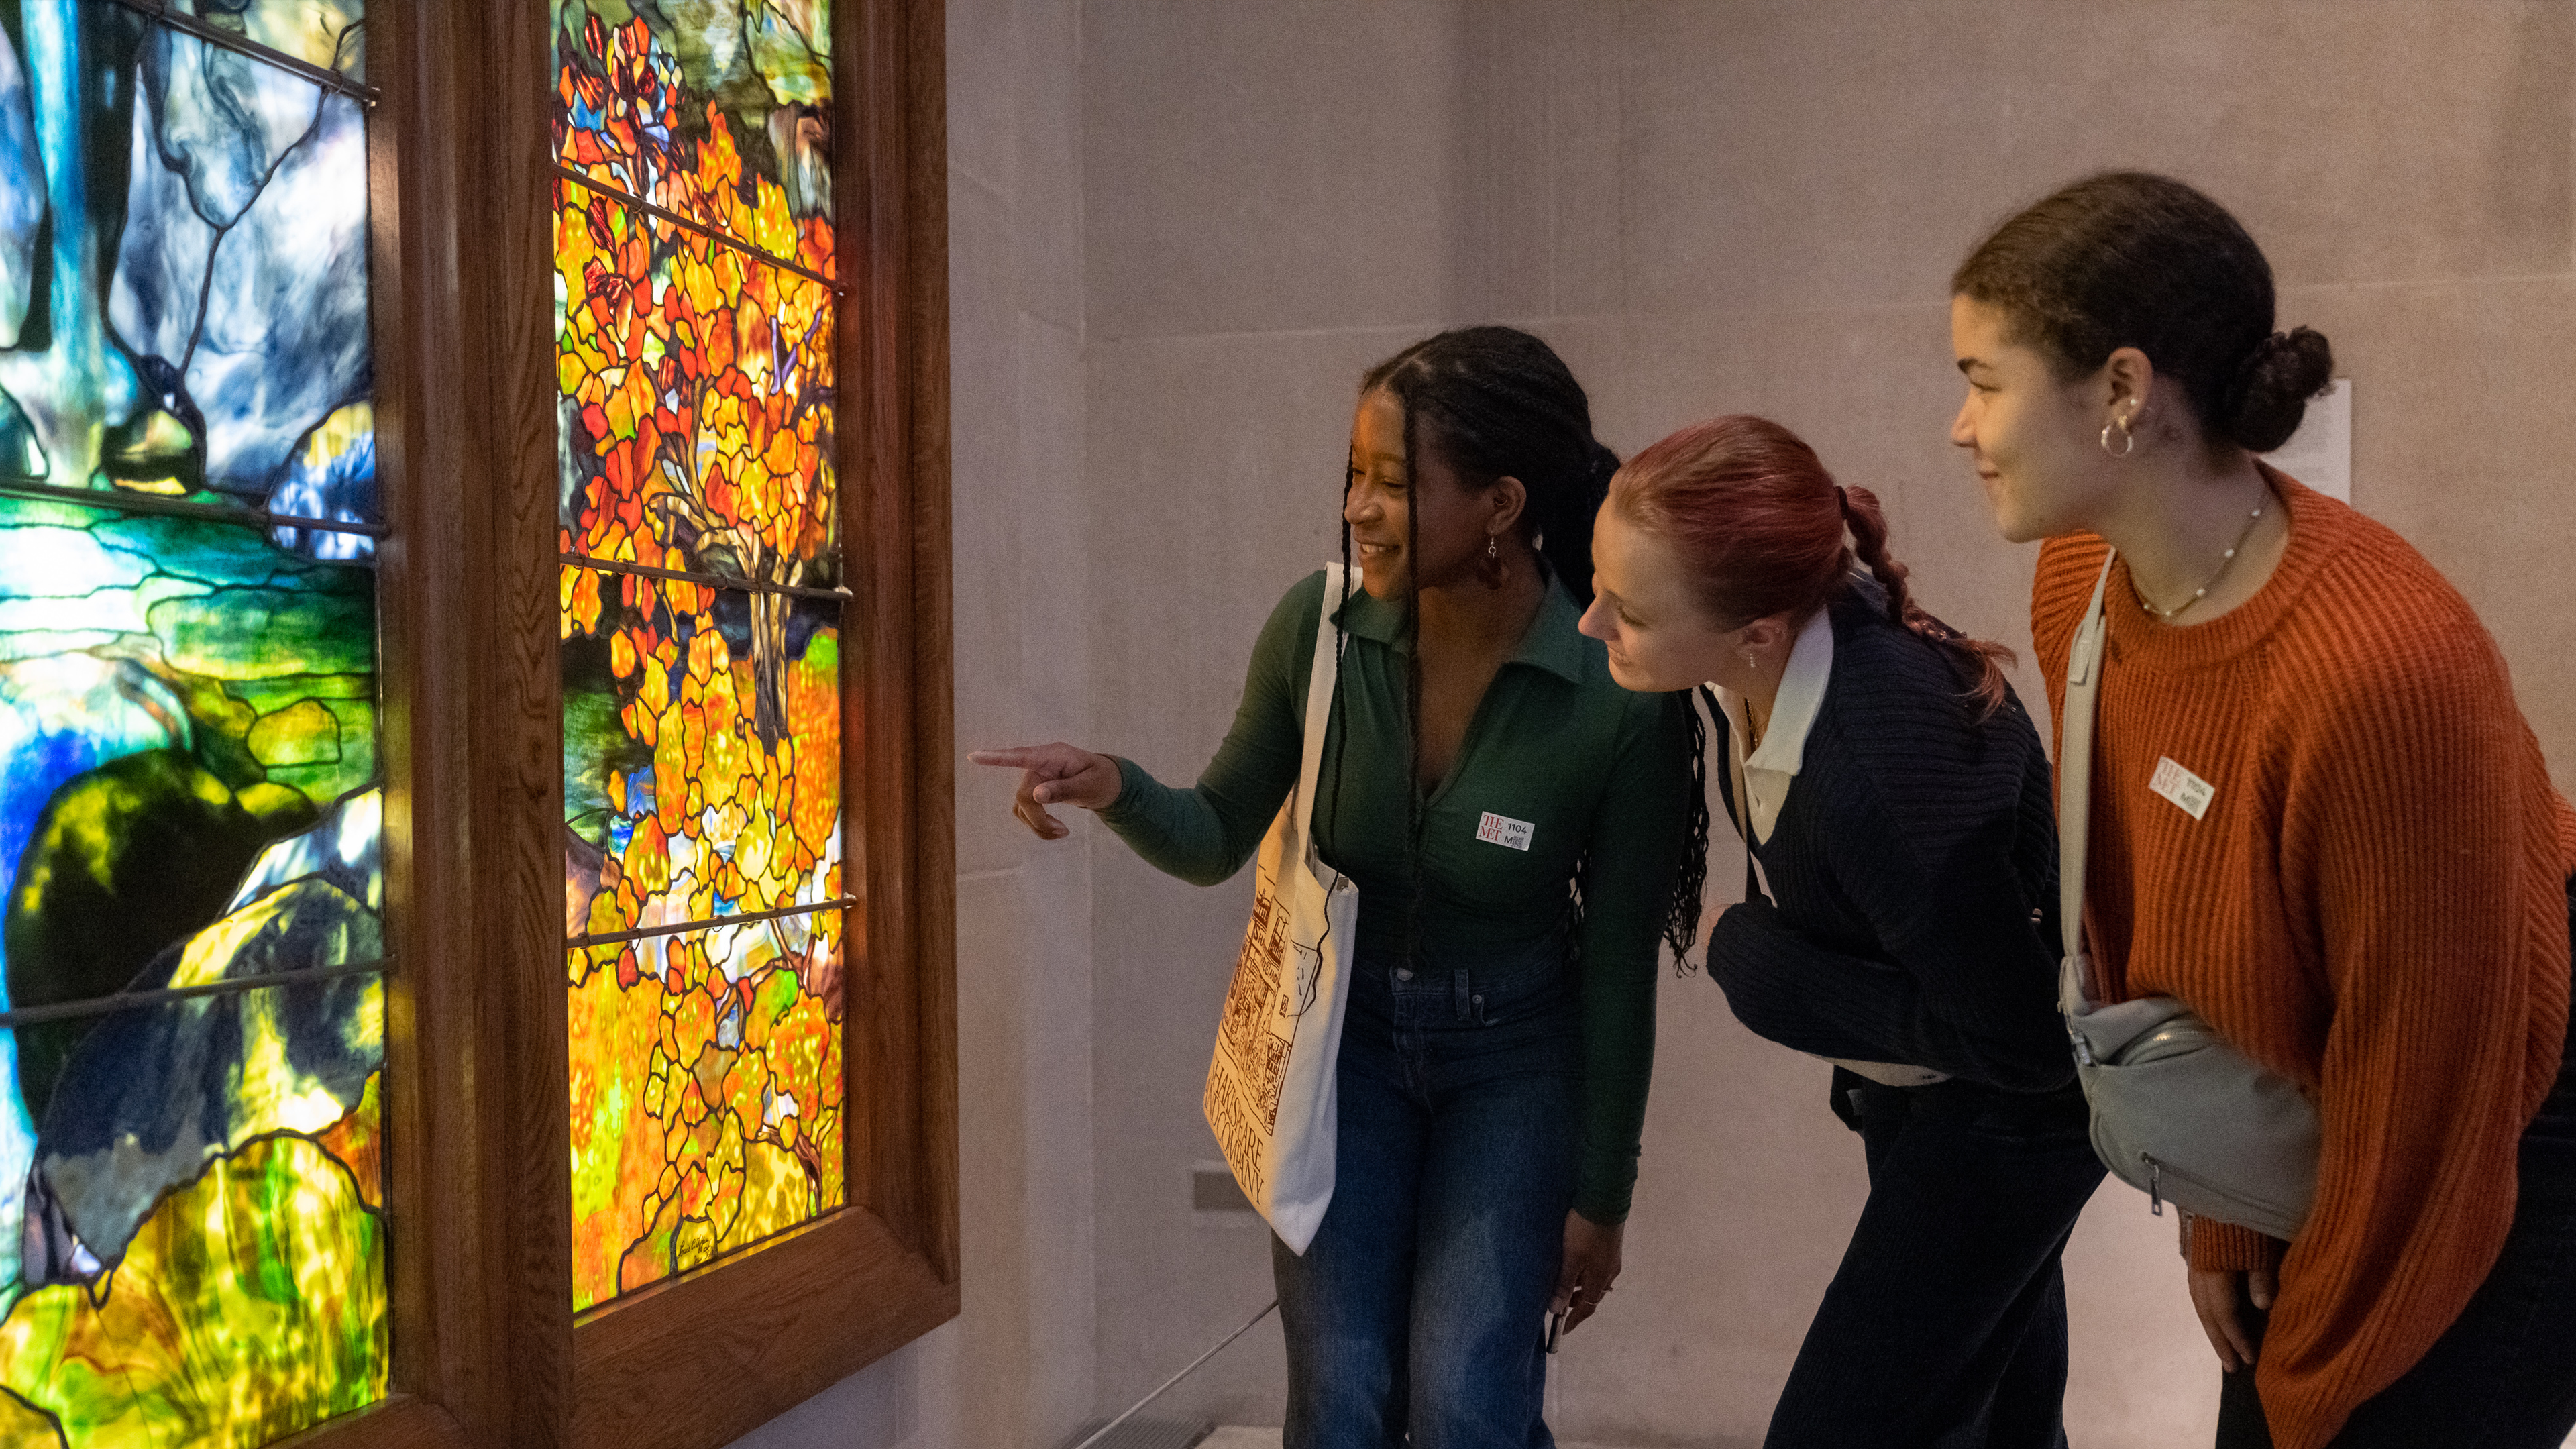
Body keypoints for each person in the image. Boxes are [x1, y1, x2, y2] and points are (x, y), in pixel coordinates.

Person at [970, 326, 1697, 1448]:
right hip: (1341, 1050)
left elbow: (1616, 968)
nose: (1359, 507)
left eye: (1394, 482)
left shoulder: (1616, 689)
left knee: (1465, 1399)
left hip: (1516, 1066)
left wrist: (1604, 1196)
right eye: (1354, 474)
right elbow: (1215, 833)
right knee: (1342, 1392)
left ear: (1500, 505)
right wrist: (1115, 785)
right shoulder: (1318, 631)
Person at [1949, 170, 2576, 1449]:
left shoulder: (2381, 669)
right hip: (2346, 1077)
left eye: (1984, 381)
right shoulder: (2086, 580)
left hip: (2505, 1106)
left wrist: (2308, 1392)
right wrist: (2224, 1213)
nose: (1961, 429)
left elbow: (2435, 1087)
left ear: (2123, 391)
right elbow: (2158, 931)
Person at [1578, 413, 2102, 1447]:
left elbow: (2030, 1045)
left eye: (1626, 610)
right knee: (2003, 1420)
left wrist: (1758, 965)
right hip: (1929, 1089)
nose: (1593, 623)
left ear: (1758, 632)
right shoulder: (1759, 653)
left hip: (2011, 1112)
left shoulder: (1882, 773)